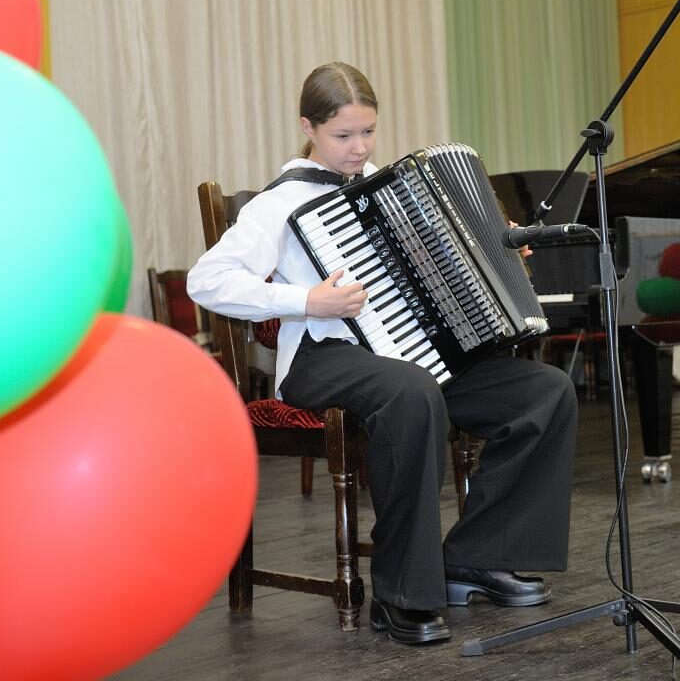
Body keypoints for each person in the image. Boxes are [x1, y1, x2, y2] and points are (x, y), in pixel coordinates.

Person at [188, 62, 578, 645]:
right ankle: (400, 595)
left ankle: (475, 557)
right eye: (343, 135)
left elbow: (443, 267)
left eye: (368, 132)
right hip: (322, 359)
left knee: (545, 392)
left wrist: (499, 257)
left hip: (416, 354)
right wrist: (305, 299)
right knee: (411, 392)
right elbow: (207, 281)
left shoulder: (394, 186)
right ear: (309, 127)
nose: (359, 147)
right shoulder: (280, 202)